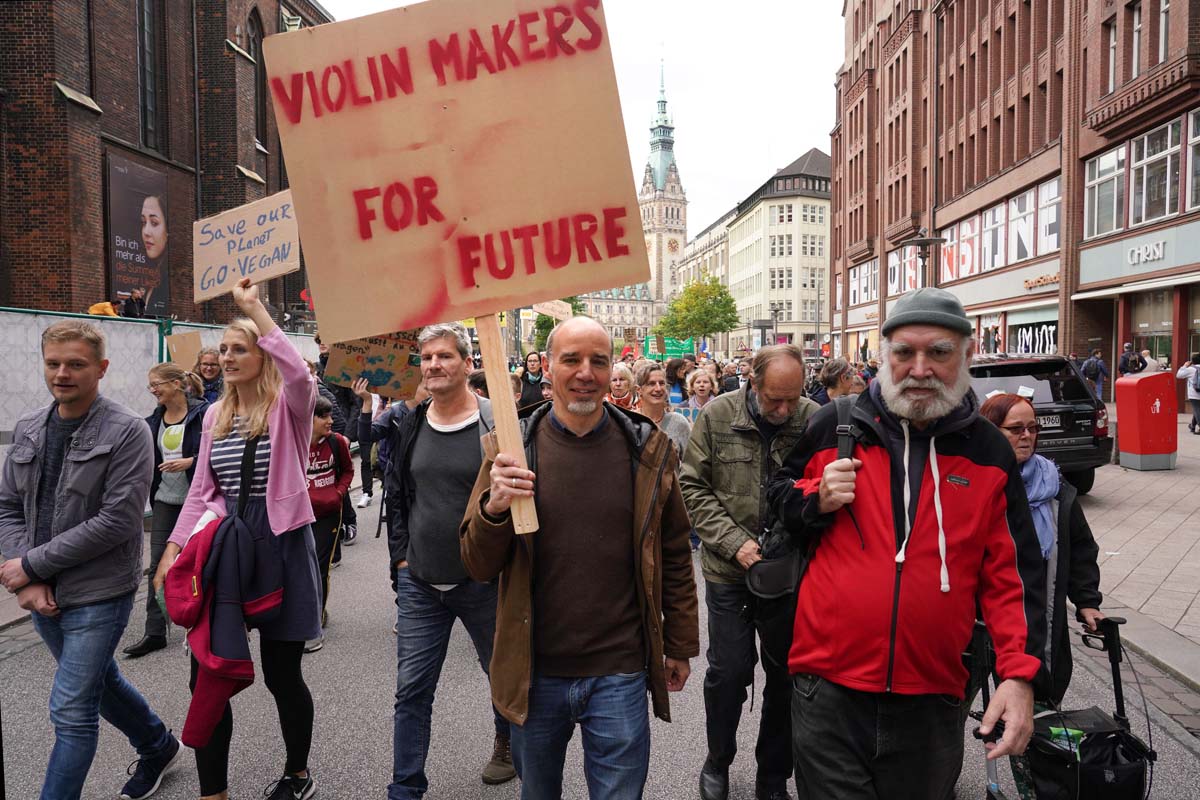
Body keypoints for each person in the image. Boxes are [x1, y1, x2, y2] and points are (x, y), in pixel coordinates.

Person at [768, 288, 1047, 800]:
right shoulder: (836, 424)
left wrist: (1019, 676)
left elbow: (1014, 575)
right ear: (884, 355)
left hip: (932, 698)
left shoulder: (988, 452)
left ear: (966, 356)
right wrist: (815, 498)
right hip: (828, 690)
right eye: (904, 352)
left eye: (938, 352)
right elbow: (779, 499)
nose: (920, 369)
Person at [460, 316, 699, 800]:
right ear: (548, 368)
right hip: (536, 671)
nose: (586, 372)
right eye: (571, 359)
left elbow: (674, 552)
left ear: (614, 371)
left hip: (620, 670)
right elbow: (477, 564)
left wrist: (679, 643)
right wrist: (495, 507)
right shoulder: (511, 450)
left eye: (598, 361)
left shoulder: (646, 449)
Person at [153, 278, 323, 800]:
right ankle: (214, 792)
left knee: (282, 675)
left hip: (281, 544)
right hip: (225, 549)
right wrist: (172, 550)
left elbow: (299, 373)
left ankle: (297, 774)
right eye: (223, 349)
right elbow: (202, 492)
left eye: (238, 349)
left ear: (262, 355)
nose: (226, 357)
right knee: (206, 671)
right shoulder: (215, 416)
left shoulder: (289, 406)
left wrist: (255, 309)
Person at [0, 319, 184, 800]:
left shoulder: (127, 431)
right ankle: (158, 746)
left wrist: (31, 567)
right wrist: (27, 575)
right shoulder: (29, 427)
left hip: (99, 592)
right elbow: (8, 507)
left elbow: (118, 521)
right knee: (100, 682)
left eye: (76, 364)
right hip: (43, 593)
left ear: (101, 368)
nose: (62, 373)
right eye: (53, 363)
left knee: (71, 708)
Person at [361, 324, 515, 797]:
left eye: (444, 356)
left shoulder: (496, 421)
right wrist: (401, 560)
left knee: (503, 677)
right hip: (421, 582)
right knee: (411, 691)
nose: (433, 365)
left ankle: (507, 746)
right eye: (426, 358)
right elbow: (398, 495)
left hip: (484, 581)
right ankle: (405, 787)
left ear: (467, 364)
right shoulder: (411, 423)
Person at [680, 344, 819, 800]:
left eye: (792, 399)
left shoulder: (813, 418)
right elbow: (692, 486)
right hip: (728, 572)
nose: (784, 410)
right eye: (775, 399)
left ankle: (773, 775)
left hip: (790, 573)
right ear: (752, 382)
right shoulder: (717, 415)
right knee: (728, 673)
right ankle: (717, 759)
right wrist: (734, 543)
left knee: (786, 678)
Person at [979, 393, 1104, 799]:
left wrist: (1087, 600)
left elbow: (1080, 547)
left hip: (1039, 621)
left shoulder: (1054, 486)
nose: (1027, 436)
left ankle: (1033, 784)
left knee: (1035, 708)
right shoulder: (975, 481)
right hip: (976, 626)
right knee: (948, 710)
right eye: (1016, 429)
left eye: (1033, 428)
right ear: (991, 432)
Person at [124, 362, 209, 659]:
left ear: (176, 383)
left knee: (199, 563)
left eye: (157, 384)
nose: (153, 390)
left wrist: (191, 461)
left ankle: (202, 621)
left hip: (198, 501)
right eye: (151, 385)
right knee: (159, 562)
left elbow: (215, 455)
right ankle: (155, 631)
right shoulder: (152, 421)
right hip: (164, 500)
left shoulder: (204, 414)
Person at [304, 395, 353, 653]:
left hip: (329, 514)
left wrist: (339, 493)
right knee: (301, 568)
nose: (330, 421)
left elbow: (348, 471)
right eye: (323, 416)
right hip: (300, 517)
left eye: (331, 415)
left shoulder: (337, 442)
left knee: (320, 567)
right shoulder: (293, 443)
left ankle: (316, 618)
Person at [635, 362, 693, 461]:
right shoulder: (630, 421)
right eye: (651, 384)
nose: (658, 389)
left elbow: (690, 463)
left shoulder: (679, 423)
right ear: (639, 390)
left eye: (662, 383)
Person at [1176, 353, 1200, 435]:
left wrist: (1184, 366)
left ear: (1192, 361)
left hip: (1194, 393)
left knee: (1197, 409)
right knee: (1197, 410)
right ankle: (1192, 426)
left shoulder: (1191, 369)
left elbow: (1179, 375)